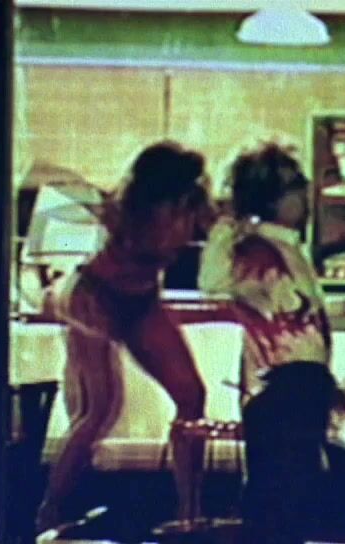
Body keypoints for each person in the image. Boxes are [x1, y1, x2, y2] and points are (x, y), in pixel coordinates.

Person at [36, 141, 213, 534]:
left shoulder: (183, 206)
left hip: (141, 300)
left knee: (191, 395)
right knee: (99, 408)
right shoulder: (132, 211)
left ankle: (190, 512)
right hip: (95, 294)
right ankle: (50, 511)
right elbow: (159, 242)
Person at [198, 143, 345, 542]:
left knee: (292, 492)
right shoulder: (258, 251)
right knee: (281, 494)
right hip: (282, 384)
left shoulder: (285, 247)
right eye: (292, 186)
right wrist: (227, 229)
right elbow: (216, 284)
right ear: (269, 196)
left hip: (298, 383)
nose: (302, 195)